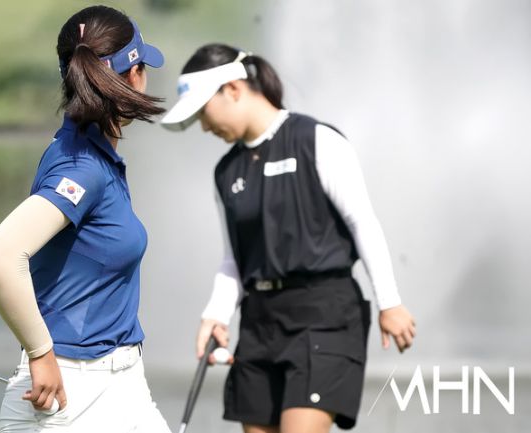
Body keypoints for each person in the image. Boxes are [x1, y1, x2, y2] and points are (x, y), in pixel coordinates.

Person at [161, 44, 416, 433]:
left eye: (203, 112)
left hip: (324, 315)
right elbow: (234, 258)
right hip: (259, 323)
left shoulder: (317, 140)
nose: (205, 127)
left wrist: (389, 302)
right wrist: (215, 314)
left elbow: (361, 221)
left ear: (233, 89)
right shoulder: (226, 172)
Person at [0, 6, 171, 433]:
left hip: (125, 385)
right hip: (70, 395)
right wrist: (40, 353)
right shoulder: (81, 168)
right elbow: (0, 256)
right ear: (133, 74)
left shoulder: (93, 154)